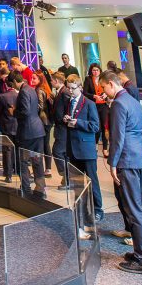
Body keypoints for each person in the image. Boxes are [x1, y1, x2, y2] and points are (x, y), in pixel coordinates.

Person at [100, 69, 142, 275]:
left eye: (104, 87)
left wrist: (113, 163)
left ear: (111, 84)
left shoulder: (118, 104)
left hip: (128, 161)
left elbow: (118, 137)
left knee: (134, 210)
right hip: (141, 159)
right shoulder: (133, 101)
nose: (103, 92)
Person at [63, 74, 104, 222]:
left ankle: (98, 210)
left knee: (92, 181)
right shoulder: (70, 102)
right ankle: (81, 208)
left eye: (73, 88)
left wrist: (77, 122)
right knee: (78, 181)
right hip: (73, 148)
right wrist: (66, 120)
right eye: (68, 88)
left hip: (86, 149)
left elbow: (95, 126)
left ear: (80, 87)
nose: (70, 91)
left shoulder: (89, 104)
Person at [8, 69, 46, 198]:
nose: (12, 86)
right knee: (37, 161)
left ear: (14, 81)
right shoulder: (30, 89)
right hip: (37, 130)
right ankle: (40, 189)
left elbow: (25, 111)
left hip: (27, 132)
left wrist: (14, 112)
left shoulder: (23, 91)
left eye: (11, 84)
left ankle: (26, 188)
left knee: (23, 161)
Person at [84, 62, 109, 153]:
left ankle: (105, 149)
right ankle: (95, 145)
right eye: (93, 70)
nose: (95, 72)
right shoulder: (88, 79)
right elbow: (85, 93)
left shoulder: (104, 79)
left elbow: (107, 90)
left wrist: (105, 94)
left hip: (103, 105)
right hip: (94, 105)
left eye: (97, 70)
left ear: (100, 71)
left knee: (105, 126)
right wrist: (94, 96)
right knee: (97, 127)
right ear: (91, 71)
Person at [0, 83, 18, 182]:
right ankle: (17, 170)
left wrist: (1, 123)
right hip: (18, 126)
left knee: (7, 150)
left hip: (6, 126)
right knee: (18, 149)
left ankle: (8, 174)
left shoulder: (2, 96)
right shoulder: (20, 95)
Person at [51, 72, 70, 184]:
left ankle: (67, 176)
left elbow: (69, 106)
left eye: (52, 80)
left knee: (57, 152)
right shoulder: (60, 92)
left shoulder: (64, 92)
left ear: (57, 81)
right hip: (60, 127)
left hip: (63, 128)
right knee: (63, 153)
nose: (51, 82)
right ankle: (67, 177)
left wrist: (65, 118)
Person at [34, 69, 54, 175]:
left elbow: (40, 106)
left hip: (43, 121)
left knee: (43, 145)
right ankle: (48, 168)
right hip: (47, 121)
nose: (32, 80)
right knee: (46, 145)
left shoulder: (39, 90)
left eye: (34, 78)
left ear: (40, 79)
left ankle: (44, 169)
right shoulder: (46, 89)